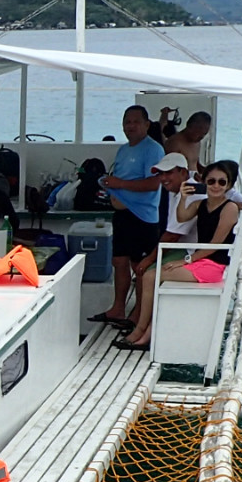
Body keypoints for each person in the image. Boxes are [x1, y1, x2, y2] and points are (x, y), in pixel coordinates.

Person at [117, 161, 240, 349]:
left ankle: (144, 333)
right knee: (150, 275)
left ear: (229, 185)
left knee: (155, 274)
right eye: (211, 181)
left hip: (213, 266)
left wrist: (185, 260)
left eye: (222, 182)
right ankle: (142, 330)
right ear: (204, 182)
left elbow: (215, 245)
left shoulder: (230, 208)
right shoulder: (201, 203)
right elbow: (182, 216)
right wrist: (183, 197)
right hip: (201, 261)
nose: (216, 186)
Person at [95, 104, 167, 333]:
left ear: (147, 124)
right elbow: (120, 178)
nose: (130, 126)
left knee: (140, 266)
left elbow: (154, 183)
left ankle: (138, 314)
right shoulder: (123, 150)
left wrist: (120, 184)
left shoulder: (153, 150)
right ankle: (118, 308)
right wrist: (110, 183)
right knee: (119, 262)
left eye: (136, 121)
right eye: (127, 121)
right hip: (122, 215)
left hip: (142, 217)